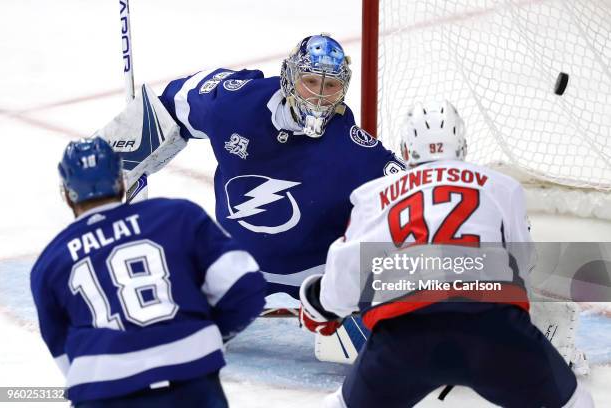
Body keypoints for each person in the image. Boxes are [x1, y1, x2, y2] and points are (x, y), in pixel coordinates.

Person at [299, 101, 594, 407]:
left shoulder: (373, 194)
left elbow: (345, 273)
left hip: (404, 336)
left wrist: (321, 307)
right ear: (462, 146)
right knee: (577, 403)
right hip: (494, 330)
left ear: (405, 147)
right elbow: (523, 261)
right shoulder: (503, 187)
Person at [154, 34, 404, 298]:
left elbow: (416, 197)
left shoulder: (356, 152)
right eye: (310, 81)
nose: (318, 97)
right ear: (288, 77)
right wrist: (126, 148)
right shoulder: (234, 106)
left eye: (330, 85)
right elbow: (172, 104)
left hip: (320, 285)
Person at [30, 137, 266, 407]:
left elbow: (63, 352)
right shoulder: (177, 215)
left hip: (103, 392)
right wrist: (208, 330)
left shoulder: (50, 262)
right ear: (120, 181)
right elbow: (244, 285)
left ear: (67, 194)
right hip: (189, 378)